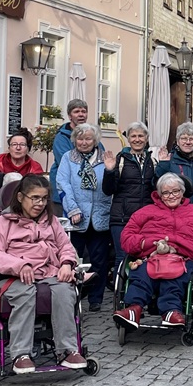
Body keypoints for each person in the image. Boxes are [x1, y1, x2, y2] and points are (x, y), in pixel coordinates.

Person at [0, 174, 88, 372]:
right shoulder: (4, 222)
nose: (40, 203)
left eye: (44, 198)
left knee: (65, 291)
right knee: (25, 294)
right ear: (21, 197)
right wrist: (19, 265)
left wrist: (67, 263)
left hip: (49, 272)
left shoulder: (52, 221)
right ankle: (20, 354)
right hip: (14, 277)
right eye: (35, 198)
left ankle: (67, 351)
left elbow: (65, 247)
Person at [113, 173, 193, 329]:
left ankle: (171, 311)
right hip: (151, 256)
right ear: (159, 195)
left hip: (184, 258)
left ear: (183, 192)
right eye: (166, 193)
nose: (171, 196)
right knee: (141, 275)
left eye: (175, 191)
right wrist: (144, 243)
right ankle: (133, 309)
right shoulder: (145, 212)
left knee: (176, 278)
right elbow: (127, 236)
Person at [57, 123, 112, 309]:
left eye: (88, 138)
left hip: (100, 217)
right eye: (80, 139)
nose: (84, 142)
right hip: (76, 218)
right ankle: (73, 295)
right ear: (74, 140)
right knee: (73, 258)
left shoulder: (105, 158)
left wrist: (111, 170)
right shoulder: (68, 158)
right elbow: (63, 184)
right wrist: (72, 209)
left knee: (99, 260)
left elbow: (112, 186)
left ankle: (96, 299)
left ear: (95, 141)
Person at [103, 122, 157, 268]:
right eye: (133, 136)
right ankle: (119, 284)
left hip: (146, 219)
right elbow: (108, 190)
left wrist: (163, 166)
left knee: (144, 257)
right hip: (122, 218)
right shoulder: (120, 160)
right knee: (122, 257)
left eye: (140, 136)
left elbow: (157, 189)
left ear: (146, 138)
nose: (137, 139)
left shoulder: (153, 161)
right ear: (128, 139)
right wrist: (109, 171)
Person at [51, 98, 90, 210]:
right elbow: (68, 163)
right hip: (63, 192)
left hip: (86, 195)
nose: (81, 114)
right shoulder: (62, 138)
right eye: (76, 111)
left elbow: (100, 157)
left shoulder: (92, 135)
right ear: (70, 116)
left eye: (83, 111)